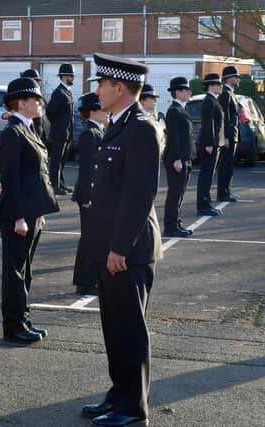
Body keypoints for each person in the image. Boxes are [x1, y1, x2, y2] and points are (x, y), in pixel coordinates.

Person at [81, 53, 162, 427]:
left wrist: (119, 247)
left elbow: (139, 195)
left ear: (119, 87)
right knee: (113, 328)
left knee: (130, 330)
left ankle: (133, 409)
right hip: (107, 247)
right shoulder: (117, 125)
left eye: (101, 84)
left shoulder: (141, 128)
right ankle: (119, 396)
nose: (96, 90)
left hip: (127, 251)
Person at [0, 77, 59, 344]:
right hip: (16, 215)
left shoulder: (30, 128)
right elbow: (10, 179)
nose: (40, 103)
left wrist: (38, 212)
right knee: (15, 271)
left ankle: (23, 317)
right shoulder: (13, 133)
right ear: (20, 103)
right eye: (35, 99)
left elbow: (37, 174)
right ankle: (13, 325)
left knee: (26, 269)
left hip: (31, 212)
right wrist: (20, 216)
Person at [71, 92, 106, 296]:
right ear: (93, 112)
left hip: (96, 193)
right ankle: (84, 282)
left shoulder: (100, 131)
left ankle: (90, 278)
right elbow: (86, 168)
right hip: (89, 194)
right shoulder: (89, 134)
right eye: (103, 109)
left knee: (94, 237)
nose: (107, 113)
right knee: (89, 239)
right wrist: (87, 196)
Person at [163, 77, 195, 238]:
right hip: (177, 160)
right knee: (175, 194)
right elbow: (173, 137)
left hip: (184, 159)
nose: (189, 92)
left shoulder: (182, 109)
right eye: (185, 90)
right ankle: (170, 227)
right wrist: (177, 159)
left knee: (180, 193)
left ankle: (177, 222)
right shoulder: (174, 111)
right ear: (177, 92)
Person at [196, 73, 224, 217]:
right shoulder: (209, 101)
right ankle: (203, 205)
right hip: (209, 144)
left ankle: (206, 202)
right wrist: (208, 143)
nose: (220, 87)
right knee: (206, 175)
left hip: (214, 143)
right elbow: (208, 125)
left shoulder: (213, 100)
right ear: (211, 86)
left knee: (208, 174)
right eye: (218, 85)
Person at [46, 63, 75, 195]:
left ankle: (61, 184)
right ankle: (54, 185)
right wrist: (58, 125)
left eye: (73, 75)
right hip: (59, 133)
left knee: (62, 161)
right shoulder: (58, 93)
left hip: (67, 133)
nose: (72, 78)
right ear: (63, 76)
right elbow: (50, 111)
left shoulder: (67, 92)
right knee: (56, 160)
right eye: (70, 75)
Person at [217, 65, 240, 202]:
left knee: (229, 165)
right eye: (236, 77)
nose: (238, 79)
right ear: (229, 78)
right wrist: (224, 136)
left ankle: (226, 190)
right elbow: (223, 117)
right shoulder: (225, 94)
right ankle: (222, 193)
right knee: (225, 165)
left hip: (233, 134)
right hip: (228, 136)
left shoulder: (230, 92)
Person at [21, 68, 46, 140]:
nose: (39, 83)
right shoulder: (25, 99)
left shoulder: (39, 95)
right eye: (36, 81)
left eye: (39, 81)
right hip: (31, 133)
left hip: (40, 131)